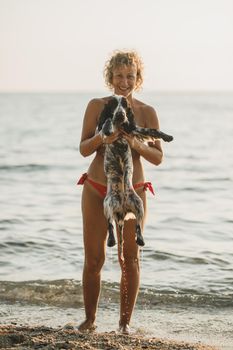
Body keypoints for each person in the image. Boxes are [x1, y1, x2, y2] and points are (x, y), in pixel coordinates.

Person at [78, 50, 163, 334]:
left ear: (137, 78)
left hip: (133, 190)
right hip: (96, 188)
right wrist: (104, 137)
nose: (124, 81)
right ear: (110, 77)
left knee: (130, 259)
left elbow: (157, 157)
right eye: (118, 76)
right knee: (94, 259)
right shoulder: (96, 105)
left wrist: (135, 142)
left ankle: (124, 324)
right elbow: (83, 148)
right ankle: (89, 321)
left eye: (130, 76)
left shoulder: (147, 111)